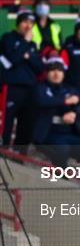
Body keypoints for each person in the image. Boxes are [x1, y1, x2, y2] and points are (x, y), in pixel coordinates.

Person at [33, 57, 80, 167]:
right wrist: (65, 101)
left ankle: (67, 158)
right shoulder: (40, 87)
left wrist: (75, 113)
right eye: (52, 70)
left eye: (59, 70)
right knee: (62, 149)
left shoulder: (69, 89)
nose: (56, 74)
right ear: (47, 72)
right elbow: (43, 101)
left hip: (68, 133)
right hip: (49, 134)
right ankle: (62, 174)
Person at [0, 10, 44, 151]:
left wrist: (28, 56)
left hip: (30, 89)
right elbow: (11, 60)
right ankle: (3, 151)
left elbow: (39, 67)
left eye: (31, 23)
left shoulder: (33, 44)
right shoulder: (8, 38)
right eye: (25, 21)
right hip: (12, 88)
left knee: (26, 123)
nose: (28, 25)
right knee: (6, 122)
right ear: (18, 22)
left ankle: (21, 154)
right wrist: (25, 44)